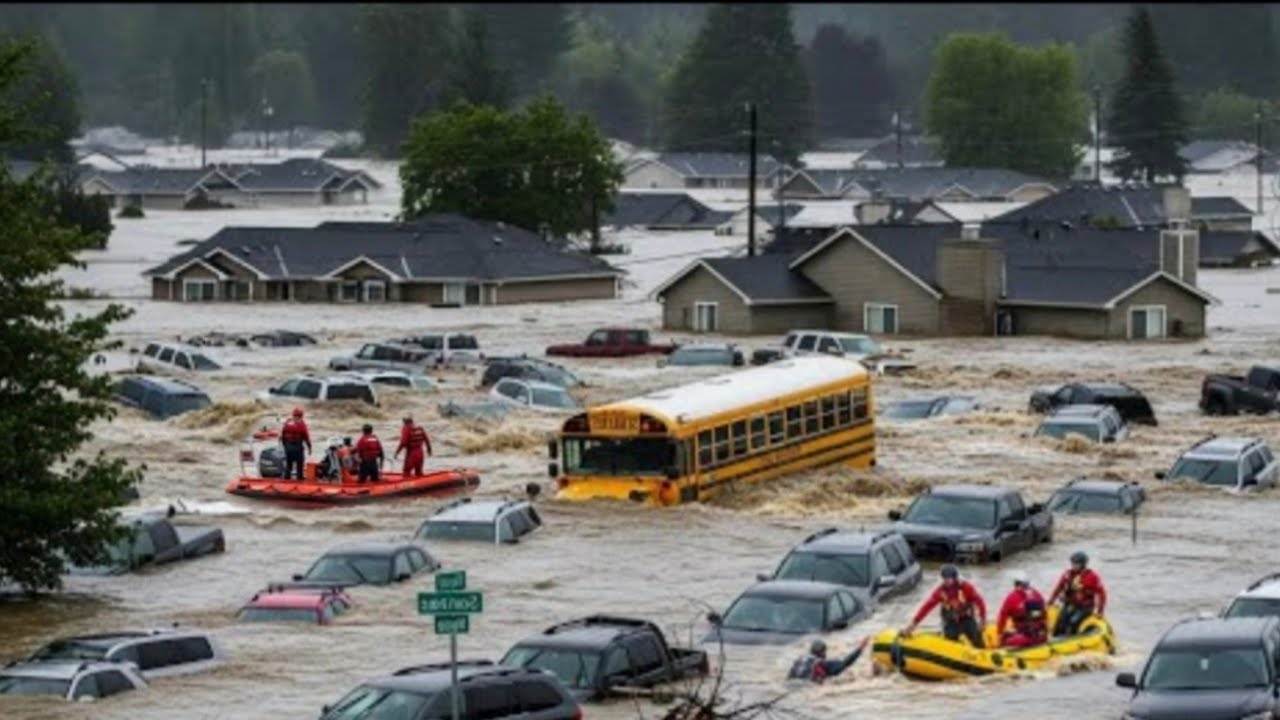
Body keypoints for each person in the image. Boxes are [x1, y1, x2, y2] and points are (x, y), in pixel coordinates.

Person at [902, 564, 988, 648]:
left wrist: (983, 619)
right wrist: (913, 624)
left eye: (949, 578)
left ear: (954, 577)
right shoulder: (940, 592)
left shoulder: (966, 587)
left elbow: (980, 601)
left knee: (978, 640)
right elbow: (926, 608)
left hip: (967, 619)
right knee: (951, 643)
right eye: (944, 578)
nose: (946, 581)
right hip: (951, 622)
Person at [1048, 551, 1107, 636]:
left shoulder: (1092, 577)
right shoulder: (1068, 574)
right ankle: (1056, 638)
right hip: (1070, 604)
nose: (1073, 565)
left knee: (1073, 622)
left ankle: (1072, 639)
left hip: (1085, 607)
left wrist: (1100, 611)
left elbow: (1102, 594)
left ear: (1083, 564)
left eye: (1076, 564)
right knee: (1060, 621)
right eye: (1072, 563)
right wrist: (1051, 601)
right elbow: (1058, 588)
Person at [996, 571, 1048, 648]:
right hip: (1041, 635)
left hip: (1027, 637)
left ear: (1017, 584)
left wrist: (1000, 632)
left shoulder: (1012, 597)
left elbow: (1003, 616)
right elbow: (1044, 613)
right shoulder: (1036, 593)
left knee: (1005, 640)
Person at [786, 637, 870, 684]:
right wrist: (860, 648)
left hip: (789, 684)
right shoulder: (823, 663)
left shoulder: (800, 659)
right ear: (823, 653)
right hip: (807, 687)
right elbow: (845, 663)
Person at [280, 407, 312, 481]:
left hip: (288, 447)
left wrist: (285, 446)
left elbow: (283, 435)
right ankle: (299, 479)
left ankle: (286, 479)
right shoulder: (302, 424)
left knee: (288, 465)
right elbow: (306, 437)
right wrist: (309, 448)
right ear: (301, 416)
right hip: (297, 447)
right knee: (300, 465)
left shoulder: (287, 422)